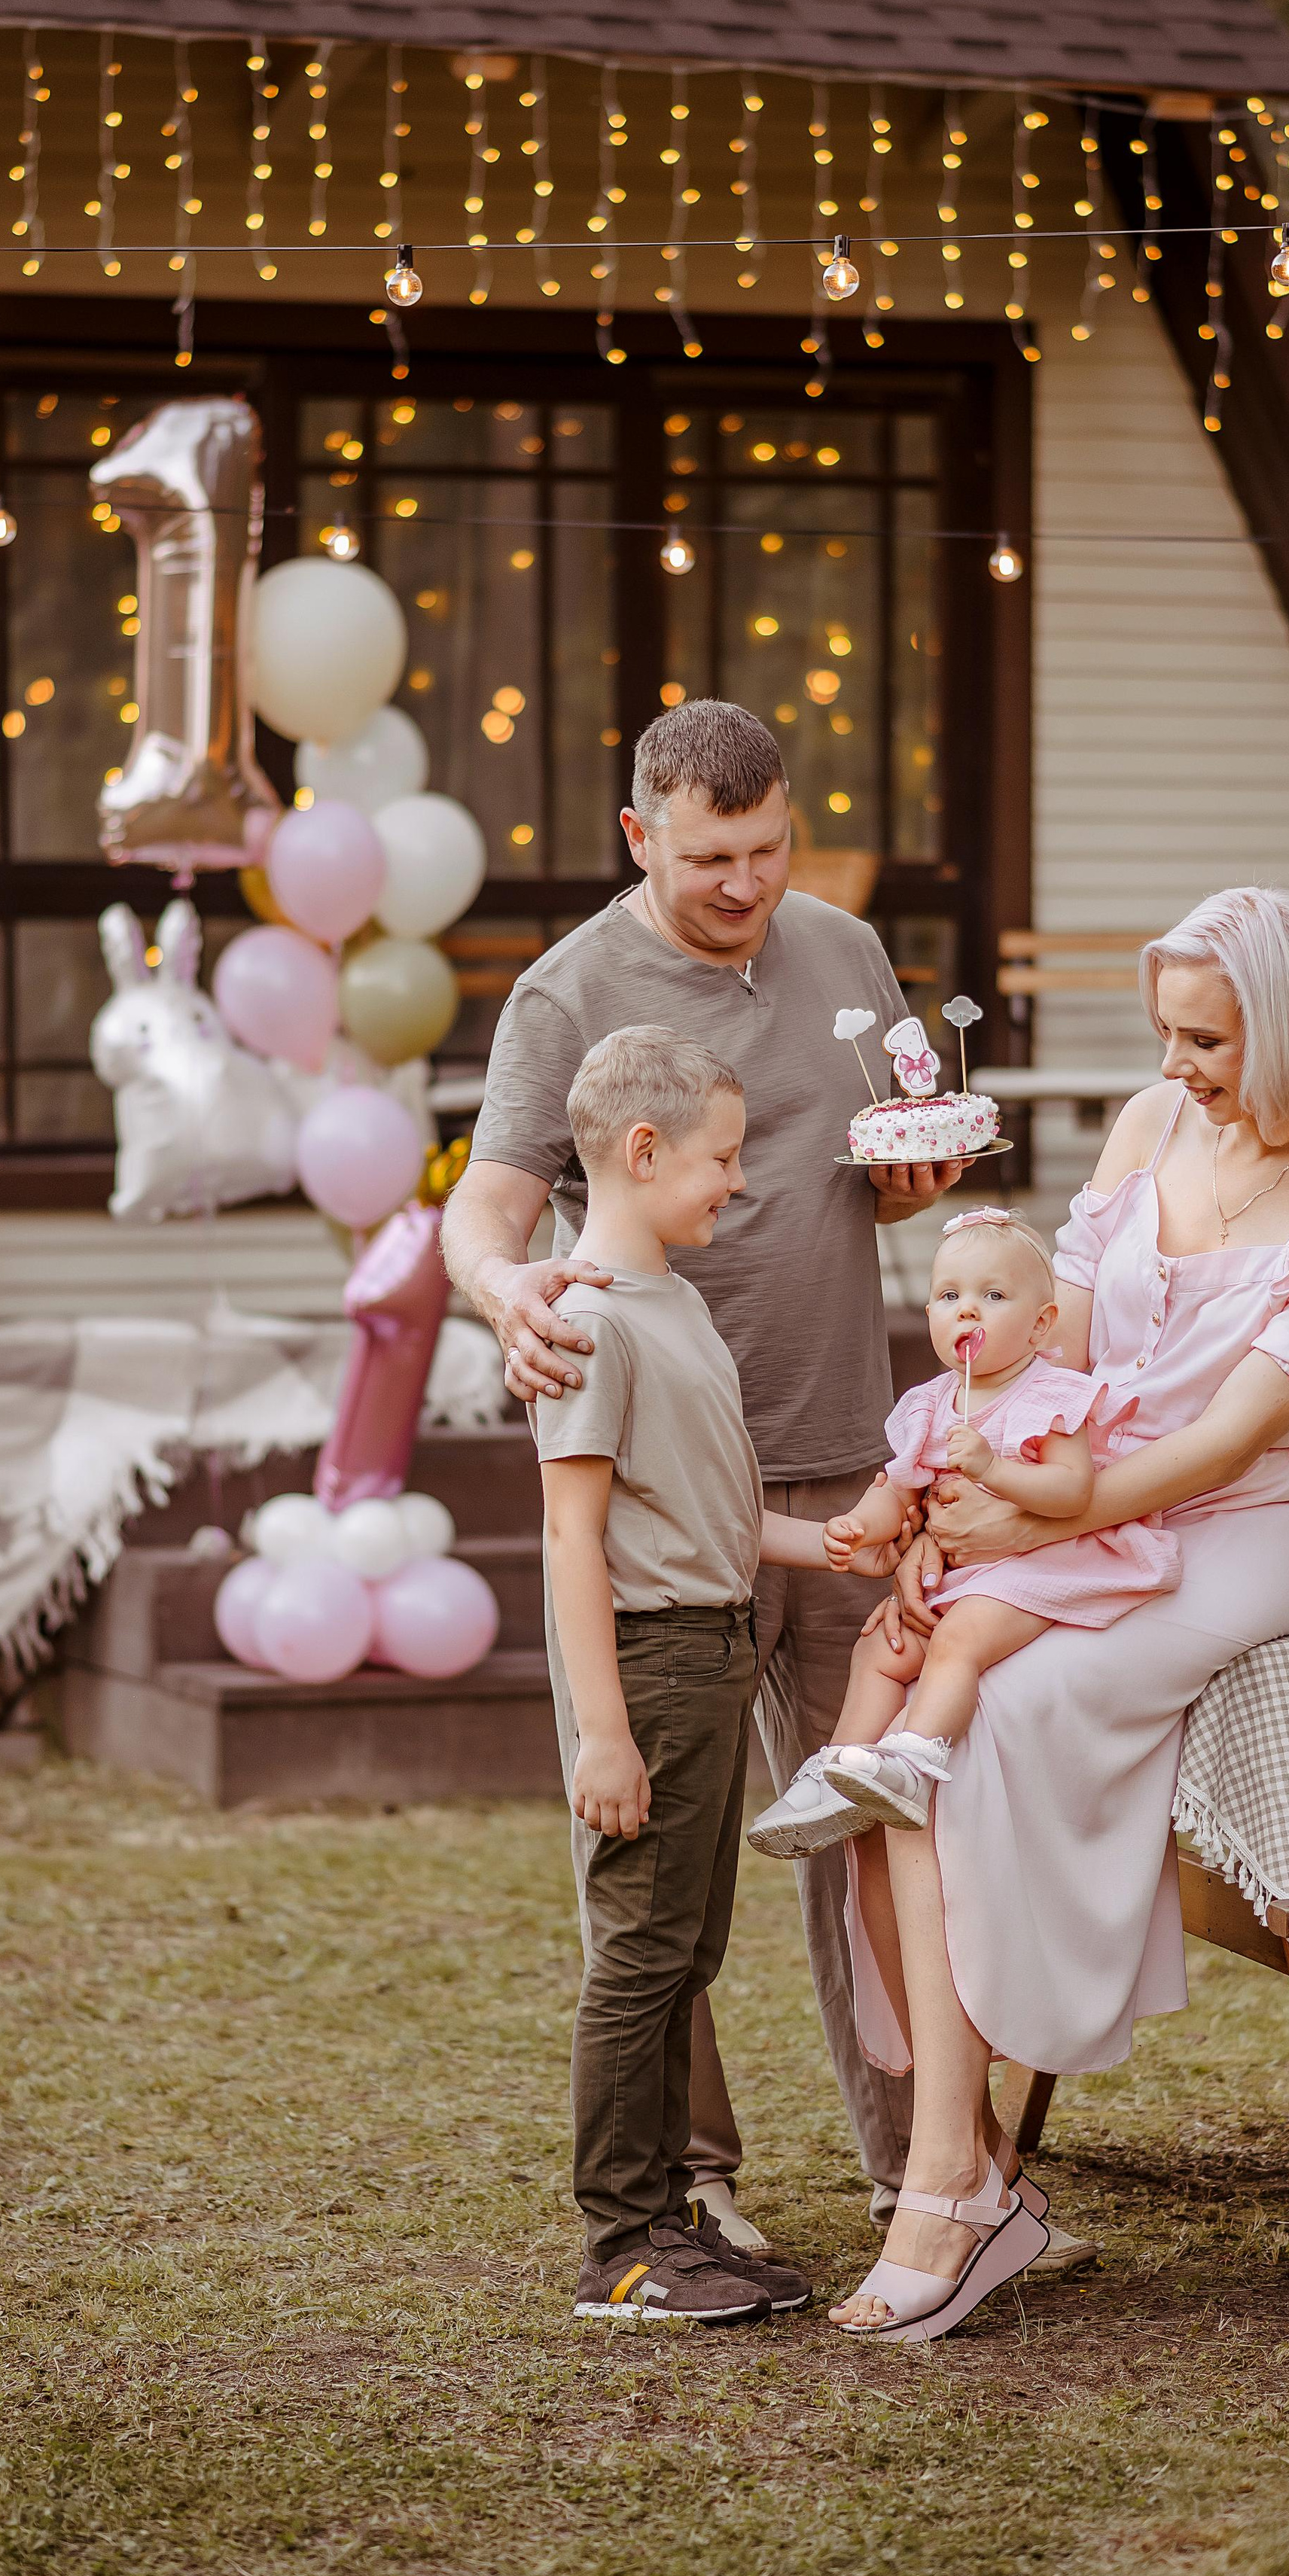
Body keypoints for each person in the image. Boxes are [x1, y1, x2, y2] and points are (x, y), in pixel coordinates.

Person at [827, 885, 1289, 2339]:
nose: (1173, 1066)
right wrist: (953, 1516)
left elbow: (1220, 1446)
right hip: (1069, 1490)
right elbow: (1064, 1356)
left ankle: (945, 2188)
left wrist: (1038, 1525)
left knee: (987, 1721)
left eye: (1206, 1041)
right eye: (1168, 1033)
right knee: (895, 1709)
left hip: (1233, 1538)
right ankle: (975, 2166)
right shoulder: (1152, 1128)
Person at [443, 699, 959, 2240]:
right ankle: (691, 2183)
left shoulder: (846, 952)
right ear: (637, 837)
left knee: (882, 1831)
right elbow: (486, 1205)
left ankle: (924, 2170)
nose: (746, 886)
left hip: (842, 1468)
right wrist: (504, 1291)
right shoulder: (564, 994)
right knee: (659, 1858)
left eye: (768, 850)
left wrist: (919, 1184)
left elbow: (878, 1169)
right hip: (657, 1504)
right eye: (709, 859)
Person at [536, 1026, 883, 2322]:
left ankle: (675, 2215)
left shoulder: (673, 1303)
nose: (738, 1181)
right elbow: (572, 1536)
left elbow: (717, 1515)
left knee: (688, 1951)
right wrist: (603, 1733)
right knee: (641, 1957)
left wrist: (835, 1544)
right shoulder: (586, 1324)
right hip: (657, 1664)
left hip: (714, 1647)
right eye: (722, 1158)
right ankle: (621, 2244)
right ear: (642, 1151)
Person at [750, 1206, 1178, 1844]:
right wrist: (860, 1525)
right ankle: (837, 1774)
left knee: (959, 1639)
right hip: (969, 1574)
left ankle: (914, 1760)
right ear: (929, 1314)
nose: (967, 1310)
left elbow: (1073, 1491)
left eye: (993, 1296)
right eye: (949, 1296)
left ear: (1041, 1324)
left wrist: (993, 1469)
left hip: (1042, 1568)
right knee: (882, 1650)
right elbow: (897, 1488)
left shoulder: (1053, 1394)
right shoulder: (929, 1405)